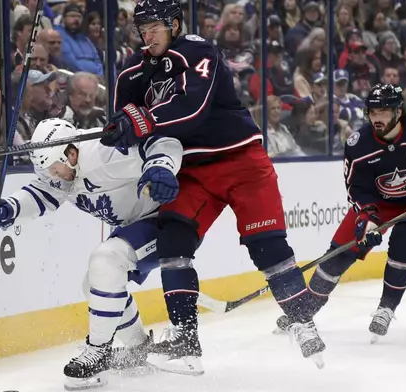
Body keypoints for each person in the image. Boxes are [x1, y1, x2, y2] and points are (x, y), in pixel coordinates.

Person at [100, 0, 326, 374]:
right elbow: (134, 130)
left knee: (268, 247)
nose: (148, 35)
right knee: (173, 243)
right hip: (191, 172)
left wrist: (141, 120)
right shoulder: (132, 76)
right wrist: (119, 131)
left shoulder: (197, 51)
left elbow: (194, 107)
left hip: (240, 160)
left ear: (174, 24)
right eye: (142, 28)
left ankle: (303, 322)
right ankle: (186, 342)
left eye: (155, 26)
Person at [0, 119, 183, 390]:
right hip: (139, 223)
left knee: (105, 261)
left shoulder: (103, 152)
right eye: (46, 170)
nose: (52, 175)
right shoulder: (60, 168)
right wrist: (9, 209)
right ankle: (138, 349)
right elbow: (42, 193)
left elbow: (166, 143)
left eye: (54, 168)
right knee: (94, 283)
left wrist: (161, 167)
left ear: (71, 153)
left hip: (170, 217)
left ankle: (98, 351)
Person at [274, 84, 406, 342]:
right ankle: (303, 311)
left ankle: (386, 307)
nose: (377, 118)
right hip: (379, 204)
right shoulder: (359, 144)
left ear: (398, 111)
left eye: (384, 111)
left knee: (405, 239)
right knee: (337, 258)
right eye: (373, 112)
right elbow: (357, 189)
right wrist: (368, 218)